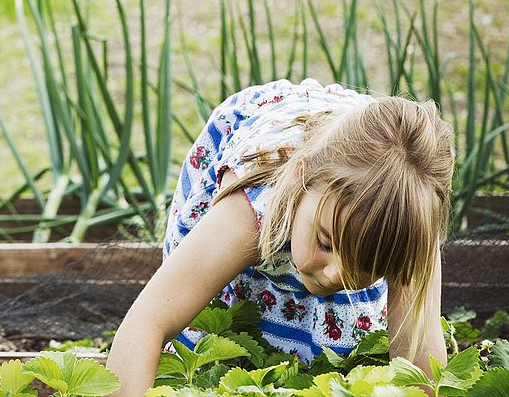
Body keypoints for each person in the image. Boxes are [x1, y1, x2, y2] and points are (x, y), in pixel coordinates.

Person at [107, 78, 453, 396]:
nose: (336, 274)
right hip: (269, 162)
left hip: (373, 170)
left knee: (343, 343)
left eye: (367, 262)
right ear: (302, 179)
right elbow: (148, 323)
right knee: (207, 333)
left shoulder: (408, 221)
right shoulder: (250, 208)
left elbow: (418, 366)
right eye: (326, 243)